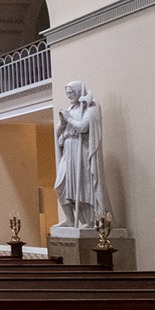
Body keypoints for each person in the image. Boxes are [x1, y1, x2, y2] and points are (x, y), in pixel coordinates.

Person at [54, 81, 104, 229]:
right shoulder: (71, 108)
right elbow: (57, 133)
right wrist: (63, 122)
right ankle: (70, 219)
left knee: (83, 186)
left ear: (78, 92)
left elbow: (84, 127)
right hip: (68, 149)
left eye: (71, 92)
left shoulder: (90, 107)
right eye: (67, 93)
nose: (69, 95)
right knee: (60, 185)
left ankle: (90, 220)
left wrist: (69, 118)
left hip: (80, 149)